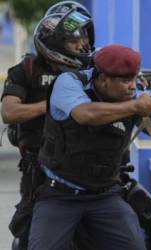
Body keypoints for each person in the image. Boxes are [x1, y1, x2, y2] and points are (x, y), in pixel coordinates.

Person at [27, 44, 151, 250]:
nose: (132, 87)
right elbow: (85, 114)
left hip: (104, 195)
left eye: (133, 79)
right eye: (125, 81)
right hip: (60, 195)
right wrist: (135, 106)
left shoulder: (134, 98)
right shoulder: (69, 83)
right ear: (102, 79)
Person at [1, 8, 94, 250]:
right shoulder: (27, 70)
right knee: (28, 239)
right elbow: (10, 112)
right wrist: (52, 104)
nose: (82, 44)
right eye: (74, 39)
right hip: (40, 171)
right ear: (55, 43)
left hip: (90, 171)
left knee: (150, 226)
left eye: (84, 37)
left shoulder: (92, 68)